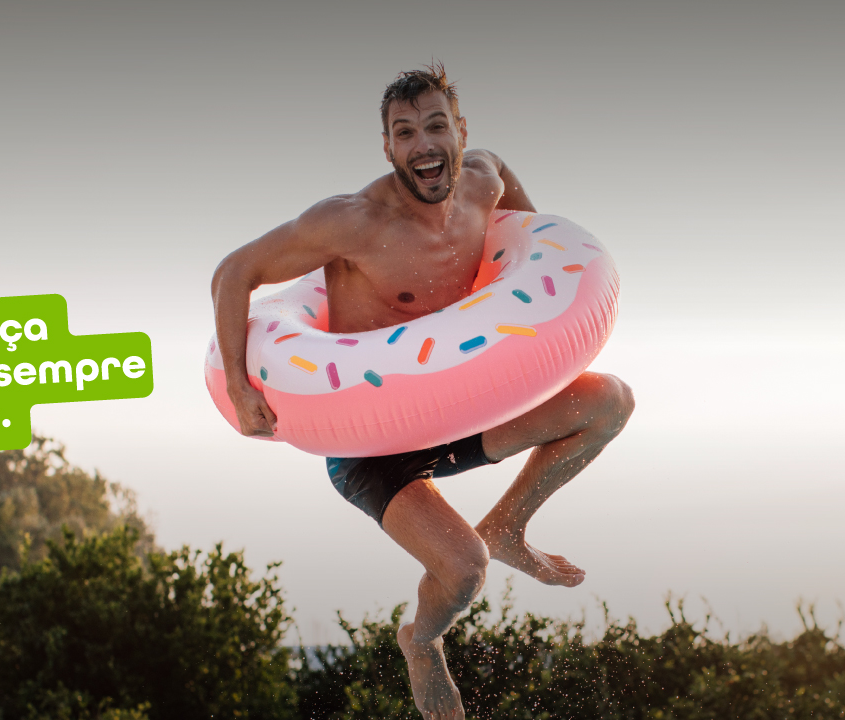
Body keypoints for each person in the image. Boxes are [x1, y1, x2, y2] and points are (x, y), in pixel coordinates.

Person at [211, 64, 634, 720]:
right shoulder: (351, 223)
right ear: (388, 147)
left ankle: (509, 526)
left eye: (436, 126)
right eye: (405, 133)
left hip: (458, 413)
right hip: (369, 442)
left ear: (460, 132)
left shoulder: (482, 182)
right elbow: (233, 272)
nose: (423, 144)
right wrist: (241, 390)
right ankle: (420, 639)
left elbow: (521, 213)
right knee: (463, 570)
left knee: (608, 401)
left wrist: (517, 280)